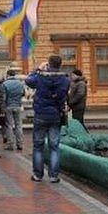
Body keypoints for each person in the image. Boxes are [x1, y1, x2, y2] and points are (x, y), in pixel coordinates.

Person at [25, 55, 70, 183]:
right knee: (54, 146)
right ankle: (54, 176)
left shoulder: (40, 77)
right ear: (60, 65)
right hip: (56, 115)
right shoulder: (65, 80)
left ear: (49, 64)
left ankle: (38, 175)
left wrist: (38, 69)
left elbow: (28, 81)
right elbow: (64, 94)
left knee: (38, 146)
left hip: (40, 114)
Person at [1, 69, 25, 151]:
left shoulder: (5, 84)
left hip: (9, 106)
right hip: (18, 105)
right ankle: (20, 144)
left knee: (9, 125)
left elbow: (3, 97)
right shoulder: (20, 83)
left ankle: (10, 144)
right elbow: (23, 93)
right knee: (18, 125)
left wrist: (2, 107)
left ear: (7, 75)